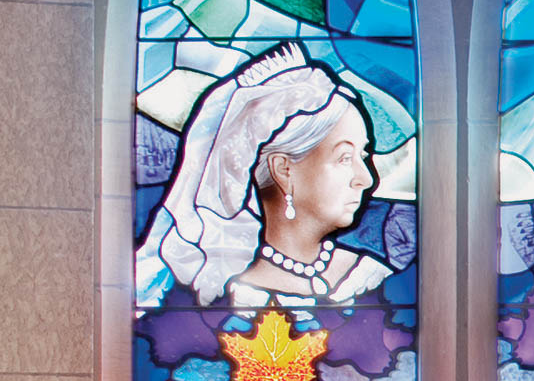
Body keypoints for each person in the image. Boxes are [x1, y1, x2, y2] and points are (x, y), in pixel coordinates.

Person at [136, 41, 390, 308]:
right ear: (283, 170)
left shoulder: (371, 280)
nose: (366, 179)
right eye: (344, 158)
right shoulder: (221, 299)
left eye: (362, 156)